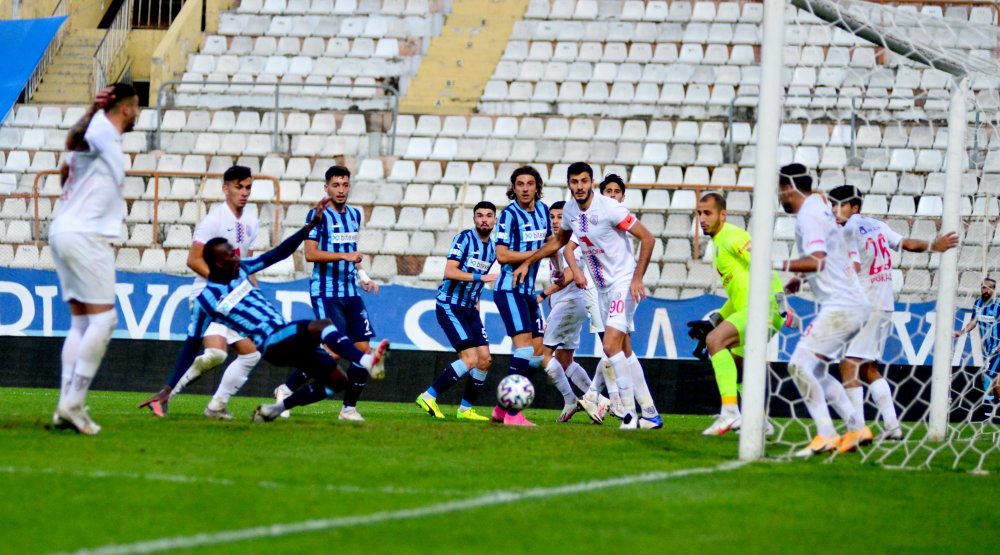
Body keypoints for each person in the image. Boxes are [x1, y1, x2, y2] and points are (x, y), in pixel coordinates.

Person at [165, 199, 389, 423]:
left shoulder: (243, 268)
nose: (236, 257)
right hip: (271, 341)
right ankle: (367, 361)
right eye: (230, 256)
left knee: (338, 381)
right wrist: (169, 388)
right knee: (322, 326)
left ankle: (276, 408)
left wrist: (309, 227)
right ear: (216, 263)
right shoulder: (206, 299)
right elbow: (190, 347)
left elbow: (280, 252)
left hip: (287, 337)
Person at [514, 162, 662, 430]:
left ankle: (629, 415)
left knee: (610, 346)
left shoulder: (609, 207)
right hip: (601, 287)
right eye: (574, 182)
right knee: (625, 352)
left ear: (592, 182)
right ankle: (650, 413)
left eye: (584, 181)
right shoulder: (570, 210)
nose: (579, 186)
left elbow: (648, 238)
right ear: (569, 184)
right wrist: (529, 262)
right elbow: (560, 243)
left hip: (623, 281)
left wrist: (637, 278)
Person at [828, 185, 958, 439]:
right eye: (832, 205)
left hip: (863, 305)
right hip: (885, 303)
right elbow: (906, 243)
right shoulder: (877, 225)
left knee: (848, 366)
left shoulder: (848, 229)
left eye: (839, 204)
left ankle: (857, 430)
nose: (834, 210)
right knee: (868, 368)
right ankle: (892, 426)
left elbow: (850, 266)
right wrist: (934, 245)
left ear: (853, 208)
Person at [49, 83, 140, 435]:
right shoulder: (102, 127)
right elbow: (75, 142)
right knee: (105, 322)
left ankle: (65, 404)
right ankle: (73, 403)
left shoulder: (99, 133)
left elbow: (65, 167)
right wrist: (92, 110)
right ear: (128, 109)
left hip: (66, 229)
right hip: (87, 234)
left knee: (82, 324)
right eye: (136, 108)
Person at [138, 166, 261, 419]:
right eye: (239, 187)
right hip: (209, 295)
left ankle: (216, 406)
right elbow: (194, 260)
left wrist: (253, 293)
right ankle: (165, 397)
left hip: (234, 298)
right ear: (225, 188)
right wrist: (222, 281)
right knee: (216, 353)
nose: (244, 192)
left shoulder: (251, 221)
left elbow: (245, 264)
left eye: (248, 187)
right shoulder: (214, 220)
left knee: (252, 354)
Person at [774, 163, 870, 457]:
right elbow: (826, 255)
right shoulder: (819, 206)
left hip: (843, 305)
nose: (779, 197)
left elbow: (817, 260)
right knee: (813, 368)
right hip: (850, 302)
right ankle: (856, 428)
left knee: (798, 366)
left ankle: (826, 434)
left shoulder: (809, 215)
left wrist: (775, 263)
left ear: (788, 189)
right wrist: (797, 279)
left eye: (779, 191)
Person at [279, 165, 381, 422]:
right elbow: (311, 254)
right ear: (326, 188)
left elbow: (351, 249)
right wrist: (343, 256)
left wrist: (363, 275)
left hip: (351, 291)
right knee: (334, 350)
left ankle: (348, 409)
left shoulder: (355, 215)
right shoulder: (318, 214)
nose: (341, 190)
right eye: (336, 185)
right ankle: (286, 390)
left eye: (345, 185)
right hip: (326, 292)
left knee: (363, 349)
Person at [693, 192, 787, 436]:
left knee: (715, 341)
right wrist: (715, 319)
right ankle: (760, 421)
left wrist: (779, 299)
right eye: (699, 213)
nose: (702, 219)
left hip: (765, 308)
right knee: (736, 366)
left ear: (722, 215)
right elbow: (738, 295)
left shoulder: (732, 236)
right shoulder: (717, 245)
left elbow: (763, 262)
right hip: (751, 308)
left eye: (708, 213)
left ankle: (729, 413)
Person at [415, 202, 499, 421]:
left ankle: (465, 409)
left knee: (484, 360)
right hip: (450, 304)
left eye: (489, 216)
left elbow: (477, 285)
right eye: (480, 215)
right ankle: (427, 396)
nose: (484, 220)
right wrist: (482, 278)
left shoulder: (493, 248)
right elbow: (450, 271)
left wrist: (477, 306)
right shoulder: (464, 239)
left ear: (495, 220)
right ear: (474, 219)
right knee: (470, 358)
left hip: (470, 309)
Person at [490, 166, 551, 427]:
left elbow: (550, 243)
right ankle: (514, 414)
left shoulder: (543, 212)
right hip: (509, 288)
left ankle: (501, 410)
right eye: (520, 184)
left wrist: (558, 268)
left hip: (528, 292)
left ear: (537, 186)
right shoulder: (509, 215)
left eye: (529, 183)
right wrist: (533, 256)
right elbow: (502, 255)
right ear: (513, 188)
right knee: (524, 347)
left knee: (537, 352)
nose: (525, 188)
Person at [535, 200, 595, 423]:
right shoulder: (557, 243)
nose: (555, 221)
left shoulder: (573, 241)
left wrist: (544, 293)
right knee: (564, 358)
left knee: (543, 354)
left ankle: (570, 400)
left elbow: (573, 271)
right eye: (552, 217)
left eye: (560, 216)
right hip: (572, 303)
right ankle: (595, 400)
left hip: (570, 302)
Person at [954, 278, 1000, 407]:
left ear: (994, 289)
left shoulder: (998, 306)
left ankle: (989, 409)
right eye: (983, 288)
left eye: (989, 288)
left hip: (997, 349)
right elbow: (974, 321)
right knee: (994, 381)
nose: (985, 290)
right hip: (987, 349)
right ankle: (995, 408)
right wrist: (962, 332)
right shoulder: (978, 304)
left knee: (987, 377)